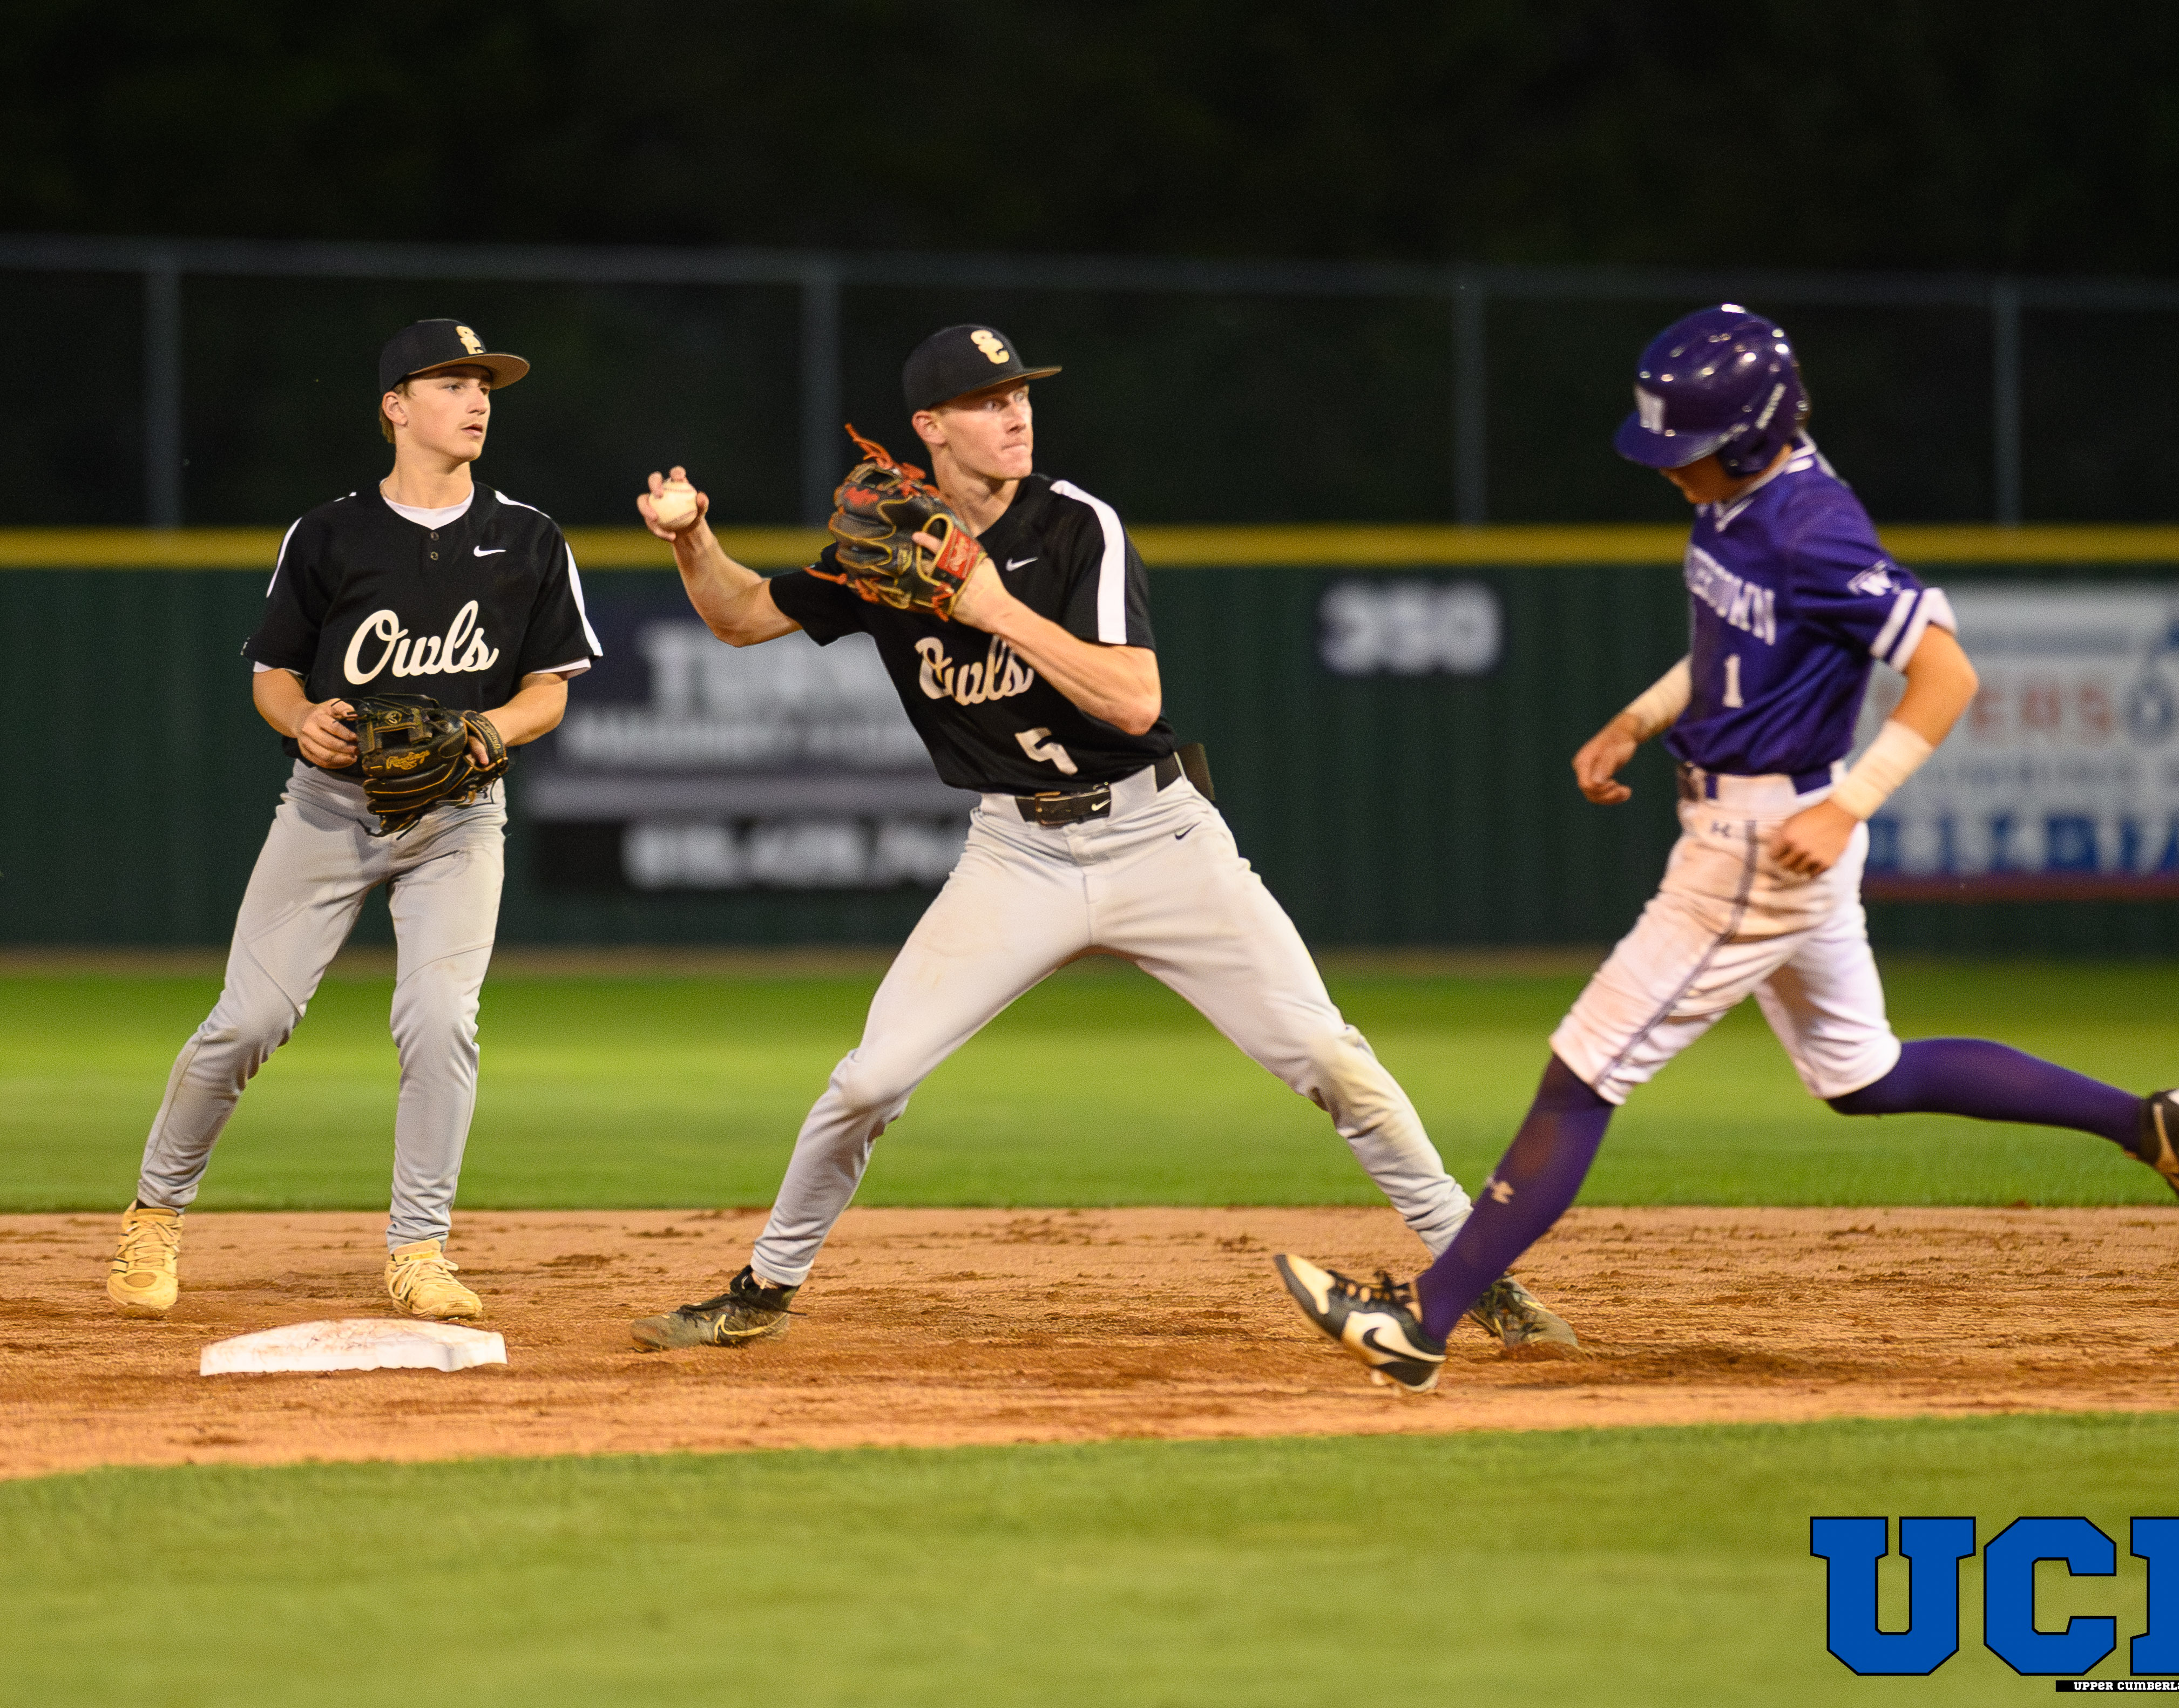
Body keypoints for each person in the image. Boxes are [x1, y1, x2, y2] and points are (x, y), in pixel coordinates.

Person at [1274, 304, 2179, 1394]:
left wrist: (1849, 805)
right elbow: (1733, 650)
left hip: (1758, 848)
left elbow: (1946, 672)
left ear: (1748, 439)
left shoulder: (1809, 526)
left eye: (1685, 448)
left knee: (1580, 1077)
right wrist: (1639, 718)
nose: (1666, 466)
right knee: (1864, 1074)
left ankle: (1422, 1322)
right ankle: (2150, 1126)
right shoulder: (1736, 503)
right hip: (1759, 825)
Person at [626, 323, 1564, 1352]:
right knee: (869, 1083)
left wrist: (988, 605)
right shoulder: (890, 546)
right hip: (1013, 853)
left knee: (1326, 1056)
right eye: (987, 401)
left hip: (1156, 834)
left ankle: (1478, 1272)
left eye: (1021, 394)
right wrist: (690, 537)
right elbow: (741, 617)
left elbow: (1132, 699)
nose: (1015, 413)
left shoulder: (1077, 526)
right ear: (929, 427)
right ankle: (762, 1290)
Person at [108, 318, 601, 1323]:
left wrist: (489, 732)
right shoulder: (329, 534)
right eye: (451, 381)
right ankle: (153, 1215)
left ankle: (419, 1249)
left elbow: (549, 688)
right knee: (249, 1019)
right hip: (328, 811)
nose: (476, 398)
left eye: (484, 383)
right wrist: (302, 720)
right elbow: (272, 675)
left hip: (459, 816)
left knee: (440, 1019)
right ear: (395, 407)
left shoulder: (529, 537)